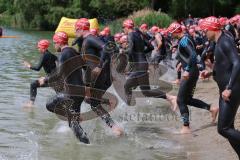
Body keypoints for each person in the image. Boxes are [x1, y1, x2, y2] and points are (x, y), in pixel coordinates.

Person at [74, 18, 123, 136]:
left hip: (99, 76)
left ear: (81, 29)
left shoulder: (90, 39)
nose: (75, 32)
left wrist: (100, 66)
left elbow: (108, 48)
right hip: (102, 75)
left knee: (93, 103)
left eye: (76, 30)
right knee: (88, 99)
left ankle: (115, 128)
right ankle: (108, 103)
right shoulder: (88, 40)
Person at [167, 22, 219, 134]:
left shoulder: (184, 40)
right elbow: (189, 52)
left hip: (190, 72)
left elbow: (193, 55)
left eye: (172, 33)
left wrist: (186, 69)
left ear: (177, 32)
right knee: (187, 100)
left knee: (180, 100)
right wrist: (182, 61)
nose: (171, 35)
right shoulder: (186, 38)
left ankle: (186, 127)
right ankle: (211, 108)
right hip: (192, 71)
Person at [200, 16, 240, 158]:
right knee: (229, 128)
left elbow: (237, 63)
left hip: (231, 89)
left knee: (223, 128)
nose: (204, 33)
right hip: (227, 88)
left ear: (213, 29)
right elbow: (226, 66)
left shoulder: (225, 42)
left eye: (205, 30)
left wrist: (229, 88)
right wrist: (211, 72)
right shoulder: (220, 40)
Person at [44, 31, 90, 144]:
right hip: (80, 92)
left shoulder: (64, 54)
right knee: (73, 124)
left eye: (54, 43)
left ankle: (86, 142)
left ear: (59, 42)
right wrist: (87, 87)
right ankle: (87, 143)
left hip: (71, 93)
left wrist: (45, 79)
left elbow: (59, 74)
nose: (54, 46)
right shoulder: (74, 52)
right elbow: (87, 67)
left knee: (49, 105)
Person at [121, 19, 177, 110]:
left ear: (127, 27)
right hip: (142, 64)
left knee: (128, 86)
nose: (123, 29)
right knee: (145, 91)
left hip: (139, 66)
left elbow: (130, 50)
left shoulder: (130, 34)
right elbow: (150, 47)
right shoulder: (139, 34)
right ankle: (129, 106)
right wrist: (141, 53)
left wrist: (122, 51)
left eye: (123, 27)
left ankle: (128, 108)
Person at [23, 40, 58, 107]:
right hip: (56, 78)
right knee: (60, 94)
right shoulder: (52, 55)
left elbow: (37, 68)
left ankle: (31, 104)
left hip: (51, 78)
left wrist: (29, 66)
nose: (38, 48)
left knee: (33, 84)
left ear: (43, 47)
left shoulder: (44, 55)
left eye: (39, 47)